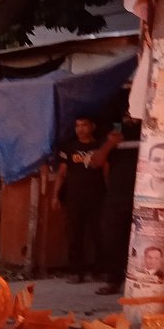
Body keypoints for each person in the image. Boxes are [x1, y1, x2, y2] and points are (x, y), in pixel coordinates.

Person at [52, 115, 106, 283]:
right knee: (75, 236)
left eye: (84, 125)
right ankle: (76, 272)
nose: (80, 129)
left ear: (93, 126)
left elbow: (106, 171)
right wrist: (55, 195)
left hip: (97, 197)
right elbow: (61, 173)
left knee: (99, 235)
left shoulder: (101, 146)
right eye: (77, 126)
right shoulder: (69, 147)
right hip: (74, 198)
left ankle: (99, 271)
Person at [93, 113, 140, 294]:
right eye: (127, 114)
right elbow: (96, 162)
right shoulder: (115, 134)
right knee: (111, 238)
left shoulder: (152, 130)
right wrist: (110, 144)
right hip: (116, 197)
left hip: (148, 197)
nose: (130, 117)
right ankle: (113, 280)